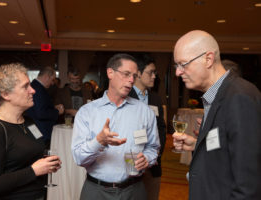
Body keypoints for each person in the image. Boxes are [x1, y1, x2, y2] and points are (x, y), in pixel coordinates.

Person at [172, 30, 261, 199]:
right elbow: (228, 148)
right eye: (176, 66)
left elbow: (248, 185)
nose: (178, 72)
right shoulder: (218, 94)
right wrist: (198, 145)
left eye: (183, 64)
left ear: (208, 59)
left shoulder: (240, 97)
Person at [71, 53, 160, 200]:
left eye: (134, 76)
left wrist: (147, 159)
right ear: (110, 73)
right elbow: (79, 158)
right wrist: (98, 141)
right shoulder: (87, 112)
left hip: (134, 190)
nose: (131, 80)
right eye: (126, 74)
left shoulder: (144, 111)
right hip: (96, 191)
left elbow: (153, 147)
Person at [0, 63, 62, 200]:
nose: (33, 90)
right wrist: (34, 171)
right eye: (25, 86)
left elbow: (34, 155)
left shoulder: (28, 122)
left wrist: (47, 165)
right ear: (6, 94)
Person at [128, 54, 166, 200]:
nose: (154, 76)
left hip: (153, 165)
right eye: (151, 72)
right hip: (131, 163)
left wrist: (155, 154)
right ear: (137, 73)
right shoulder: (125, 96)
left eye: (155, 72)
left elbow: (161, 128)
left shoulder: (156, 98)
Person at [26, 66, 64, 147]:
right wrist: (57, 112)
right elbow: (40, 113)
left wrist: (53, 108)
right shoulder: (38, 89)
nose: (53, 83)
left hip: (36, 129)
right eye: (52, 79)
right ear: (47, 77)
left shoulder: (35, 86)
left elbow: (39, 107)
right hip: (40, 131)